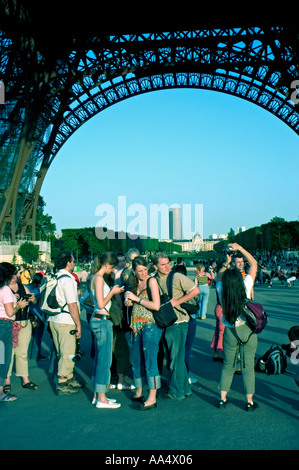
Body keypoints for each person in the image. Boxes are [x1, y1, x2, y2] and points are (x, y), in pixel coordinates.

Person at [153, 252, 200, 401]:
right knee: (176, 357)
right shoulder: (154, 279)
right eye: (163, 264)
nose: (167, 266)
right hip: (167, 322)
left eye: (168, 263)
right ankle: (184, 388)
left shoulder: (177, 276)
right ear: (155, 266)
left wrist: (177, 301)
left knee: (175, 359)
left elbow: (196, 291)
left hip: (178, 321)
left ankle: (176, 392)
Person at [217, 245, 258, 411]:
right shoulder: (246, 284)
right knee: (248, 367)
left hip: (230, 330)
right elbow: (253, 263)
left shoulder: (221, 289)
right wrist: (241, 248)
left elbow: (219, 277)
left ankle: (222, 399)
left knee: (228, 366)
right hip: (247, 329)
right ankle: (249, 402)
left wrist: (226, 262)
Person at [125, 256, 161, 410]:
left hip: (150, 325)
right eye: (140, 271)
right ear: (134, 271)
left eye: (145, 269)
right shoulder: (133, 283)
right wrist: (129, 301)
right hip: (136, 326)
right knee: (136, 360)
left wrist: (136, 299)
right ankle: (139, 391)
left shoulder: (151, 281)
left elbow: (156, 306)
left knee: (150, 361)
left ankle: (152, 397)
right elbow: (133, 301)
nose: (144, 273)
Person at [90, 252, 124, 409]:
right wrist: (113, 292)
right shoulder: (98, 278)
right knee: (104, 360)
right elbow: (102, 303)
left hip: (98, 321)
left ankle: (98, 395)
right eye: (113, 267)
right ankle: (101, 398)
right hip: (102, 321)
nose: (113, 270)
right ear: (108, 265)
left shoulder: (94, 277)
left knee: (100, 359)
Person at [48, 250, 83, 396]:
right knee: (68, 353)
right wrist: (79, 324)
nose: (74, 264)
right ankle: (62, 382)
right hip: (66, 320)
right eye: (73, 261)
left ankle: (69, 377)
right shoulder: (68, 280)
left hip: (53, 318)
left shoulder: (53, 277)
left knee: (61, 351)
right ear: (68, 263)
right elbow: (72, 304)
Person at [4, 263, 38, 393]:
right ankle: (6, 379)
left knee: (22, 352)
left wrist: (33, 299)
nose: (14, 276)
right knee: (9, 352)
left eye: (15, 273)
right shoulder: (3, 289)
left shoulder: (22, 287)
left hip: (24, 322)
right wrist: (16, 303)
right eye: (11, 274)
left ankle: (25, 378)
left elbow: (33, 301)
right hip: (11, 322)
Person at [0, 263, 29, 402]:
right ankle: (1, 392)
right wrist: (19, 305)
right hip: (4, 324)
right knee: (3, 358)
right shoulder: (5, 289)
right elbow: (10, 311)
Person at [27, 272, 47, 361]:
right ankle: (37, 354)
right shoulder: (41, 289)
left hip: (29, 314)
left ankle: (29, 353)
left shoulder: (28, 287)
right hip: (38, 314)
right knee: (38, 336)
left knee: (30, 335)